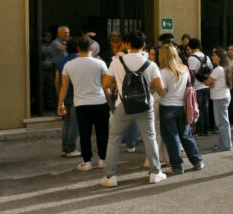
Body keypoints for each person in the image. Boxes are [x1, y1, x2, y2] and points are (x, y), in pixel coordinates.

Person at [100, 30, 166, 187]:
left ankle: (110, 177)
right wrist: (149, 87)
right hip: (145, 105)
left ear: (127, 44)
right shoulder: (151, 64)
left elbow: (105, 84)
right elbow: (161, 88)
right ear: (144, 45)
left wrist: (120, 84)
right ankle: (155, 173)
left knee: (114, 139)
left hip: (123, 105)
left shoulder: (117, 61)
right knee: (150, 138)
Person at [58, 36, 110, 170]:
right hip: (100, 101)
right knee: (102, 132)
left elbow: (64, 87)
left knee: (84, 133)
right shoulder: (100, 63)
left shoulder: (69, 65)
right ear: (91, 48)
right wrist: (109, 101)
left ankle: (87, 161)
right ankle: (103, 159)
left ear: (77, 48)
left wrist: (60, 104)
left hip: (81, 103)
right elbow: (106, 86)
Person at [156, 43, 204, 175]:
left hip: (167, 107)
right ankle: (197, 161)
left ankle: (177, 166)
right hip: (183, 106)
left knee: (172, 138)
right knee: (186, 135)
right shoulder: (184, 68)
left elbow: (162, 93)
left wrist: (156, 89)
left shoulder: (163, 72)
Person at [55, 38, 80, 158]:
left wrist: (60, 96)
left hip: (65, 94)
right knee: (74, 122)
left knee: (66, 122)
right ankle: (71, 148)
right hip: (77, 94)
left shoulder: (61, 61)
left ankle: (65, 148)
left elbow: (56, 81)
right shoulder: (79, 61)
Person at [206, 47, 233, 152]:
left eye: (214, 55)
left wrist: (210, 83)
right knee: (222, 122)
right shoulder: (224, 68)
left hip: (220, 98)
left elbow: (207, 82)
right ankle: (223, 143)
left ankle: (226, 144)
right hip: (223, 96)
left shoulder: (218, 69)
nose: (212, 57)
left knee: (222, 123)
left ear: (219, 57)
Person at [185, 39, 213, 137]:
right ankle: (207, 129)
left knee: (198, 109)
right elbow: (211, 69)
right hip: (206, 85)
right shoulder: (207, 57)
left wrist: (189, 85)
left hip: (197, 87)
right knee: (205, 108)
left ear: (191, 47)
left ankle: (200, 130)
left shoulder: (191, 58)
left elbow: (191, 73)